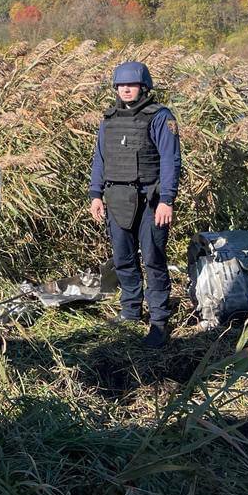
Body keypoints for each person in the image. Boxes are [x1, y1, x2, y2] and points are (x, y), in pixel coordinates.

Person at [88, 61, 182, 348]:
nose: (126, 89)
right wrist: (95, 194)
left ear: (144, 87)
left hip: (150, 200)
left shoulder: (160, 117)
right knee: (123, 259)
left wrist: (167, 200)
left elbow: (171, 161)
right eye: (121, 85)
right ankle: (130, 312)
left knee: (153, 259)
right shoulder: (109, 119)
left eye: (131, 84)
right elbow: (100, 158)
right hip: (116, 197)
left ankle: (159, 321)